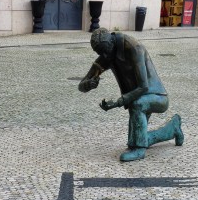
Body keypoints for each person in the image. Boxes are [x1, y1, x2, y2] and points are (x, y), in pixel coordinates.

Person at [78, 29, 183, 162]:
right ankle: (172, 129)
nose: (104, 55)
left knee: (137, 105)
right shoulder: (108, 53)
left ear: (112, 42)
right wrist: (88, 84)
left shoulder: (133, 48)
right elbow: (81, 85)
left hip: (157, 96)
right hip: (138, 97)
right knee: (135, 140)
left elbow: (143, 87)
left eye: (105, 51)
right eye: (100, 53)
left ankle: (140, 150)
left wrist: (118, 102)